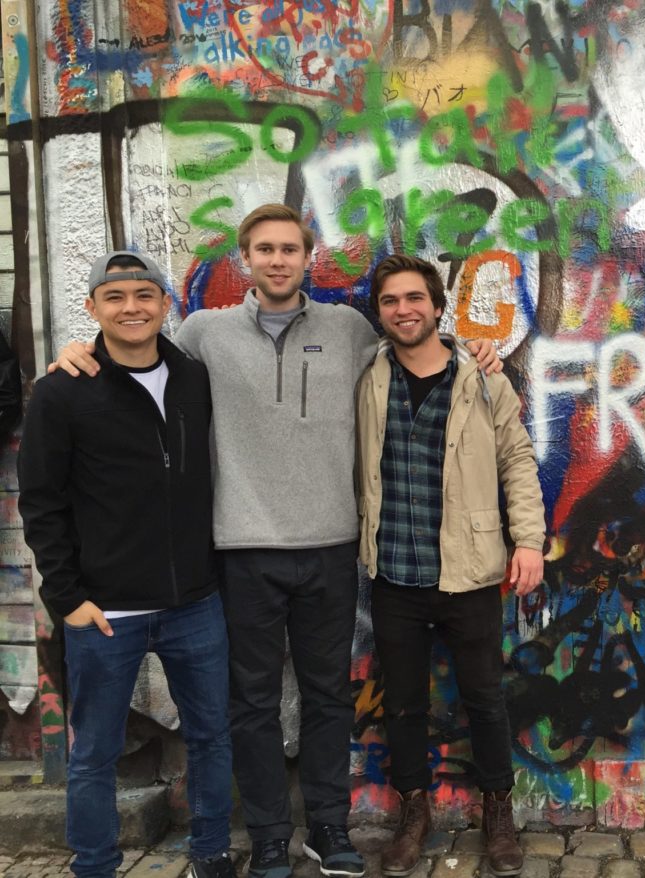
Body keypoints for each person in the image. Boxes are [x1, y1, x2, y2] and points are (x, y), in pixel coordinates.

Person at [52, 206, 501, 878]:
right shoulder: (205, 333)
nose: (278, 260)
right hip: (242, 550)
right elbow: (134, 350)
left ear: (309, 257)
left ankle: (328, 827)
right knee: (253, 704)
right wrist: (79, 350)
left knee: (327, 697)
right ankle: (266, 835)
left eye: (290, 249)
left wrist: (475, 348)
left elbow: (414, 348)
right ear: (246, 260)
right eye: (264, 249)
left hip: (330, 547)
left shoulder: (347, 329)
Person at [20, 252, 233, 878]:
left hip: (194, 602)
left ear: (167, 305)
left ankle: (212, 853)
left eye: (145, 294)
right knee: (94, 756)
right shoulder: (62, 391)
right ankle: (95, 865)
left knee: (212, 739)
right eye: (115, 297)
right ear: (92, 309)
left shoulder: (194, 377)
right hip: (105, 609)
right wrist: (67, 597)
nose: (132, 307)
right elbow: (41, 502)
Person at [355, 255, 545, 877]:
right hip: (394, 575)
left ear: (437, 307)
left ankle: (498, 811)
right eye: (390, 301)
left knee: (485, 699)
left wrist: (530, 543)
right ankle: (415, 813)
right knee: (403, 704)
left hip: (469, 572)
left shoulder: (484, 378)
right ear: (378, 311)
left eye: (415, 298)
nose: (404, 310)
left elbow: (517, 463)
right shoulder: (368, 376)